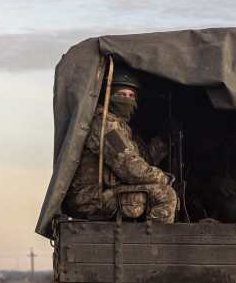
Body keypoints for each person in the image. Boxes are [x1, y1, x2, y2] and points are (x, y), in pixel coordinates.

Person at [63, 64, 178, 223]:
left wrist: (163, 141)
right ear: (108, 97)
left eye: (131, 96)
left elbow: (144, 159)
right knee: (165, 195)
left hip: (108, 193)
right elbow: (129, 168)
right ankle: (151, 246)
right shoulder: (105, 124)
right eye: (121, 94)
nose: (127, 100)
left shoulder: (123, 128)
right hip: (92, 199)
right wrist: (162, 177)